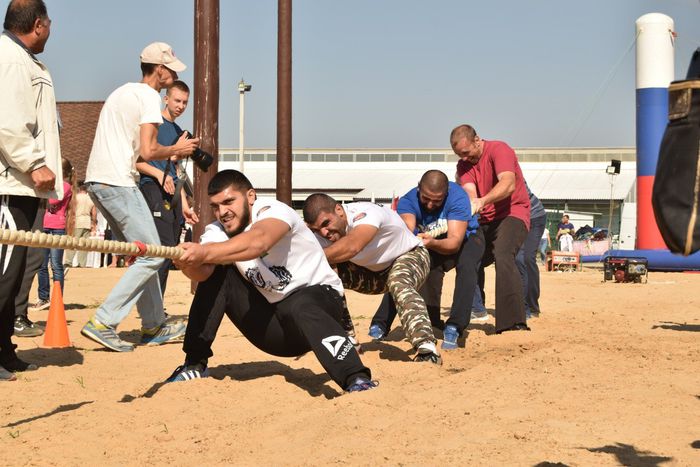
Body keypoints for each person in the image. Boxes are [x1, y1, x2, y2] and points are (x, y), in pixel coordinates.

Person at [168, 170, 376, 393]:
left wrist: (204, 253)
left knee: (301, 304)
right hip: (278, 327)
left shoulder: (273, 211)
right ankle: (194, 364)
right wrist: (188, 264)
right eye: (216, 206)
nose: (223, 212)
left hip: (321, 303)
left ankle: (355, 377)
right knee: (219, 271)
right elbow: (204, 273)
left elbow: (259, 242)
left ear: (250, 196)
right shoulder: (217, 232)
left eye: (229, 202)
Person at [82, 42, 200, 352]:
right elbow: (149, 151)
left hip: (99, 180)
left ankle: (152, 324)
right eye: (171, 69)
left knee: (148, 251)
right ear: (160, 71)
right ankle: (104, 321)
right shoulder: (148, 96)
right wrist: (178, 150)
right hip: (117, 182)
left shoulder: (123, 92)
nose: (174, 74)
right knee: (155, 253)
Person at [303, 193, 442, 364]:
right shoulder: (320, 235)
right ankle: (348, 341)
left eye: (326, 223)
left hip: (412, 257)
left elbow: (353, 246)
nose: (324, 233)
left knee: (399, 280)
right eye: (316, 230)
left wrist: (310, 257)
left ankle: (426, 347)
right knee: (323, 277)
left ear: (339, 210)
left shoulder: (365, 213)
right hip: (373, 275)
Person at [0, 0, 60, 380]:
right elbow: (7, 120)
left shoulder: (22, 59)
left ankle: (5, 350)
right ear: (38, 24)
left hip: (21, 187)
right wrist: (34, 163)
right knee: (4, 275)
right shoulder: (11, 59)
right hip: (10, 183)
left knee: (15, 273)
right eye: (50, 23)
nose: (51, 29)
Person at [368, 170, 483, 350]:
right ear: (419, 189)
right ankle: (380, 324)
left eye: (437, 201)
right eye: (426, 198)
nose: (430, 205)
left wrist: (432, 242)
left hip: (466, 238)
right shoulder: (407, 201)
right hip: (427, 241)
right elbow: (406, 233)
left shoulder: (458, 198)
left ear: (446, 194)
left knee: (467, 267)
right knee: (404, 268)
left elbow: (454, 242)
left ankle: (455, 326)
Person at [452, 124, 530, 333]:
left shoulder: (499, 149)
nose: (465, 158)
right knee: (467, 256)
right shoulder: (463, 165)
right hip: (485, 219)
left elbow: (508, 183)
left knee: (503, 254)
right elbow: (470, 192)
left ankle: (513, 323)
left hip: (512, 213)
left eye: (467, 153)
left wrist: (483, 200)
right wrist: (472, 203)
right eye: (460, 155)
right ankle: (469, 313)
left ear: (477, 140)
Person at [136, 80, 198, 297]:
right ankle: (153, 309)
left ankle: (156, 306)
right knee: (161, 249)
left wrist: (184, 205)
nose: (181, 105)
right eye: (177, 100)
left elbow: (175, 170)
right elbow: (136, 161)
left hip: (171, 192)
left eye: (185, 102)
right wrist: (158, 175)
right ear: (166, 99)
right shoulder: (154, 123)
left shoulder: (178, 131)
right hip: (151, 187)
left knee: (170, 248)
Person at [34, 158, 76, 309]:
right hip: (45, 225)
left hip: (57, 227)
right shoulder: (56, 185)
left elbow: (52, 202)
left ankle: (57, 299)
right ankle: (43, 297)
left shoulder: (65, 186)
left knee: (56, 265)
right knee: (41, 264)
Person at [515, 185, 546, 319]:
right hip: (516, 218)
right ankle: (521, 305)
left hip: (534, 217)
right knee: (517, 259)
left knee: (526, 259)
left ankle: (532, 305)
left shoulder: (508, 172)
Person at [63, 183, 96, 268]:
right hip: (87, 222)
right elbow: (94, 213)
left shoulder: (76, 198)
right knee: (84, 244)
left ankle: (68, 261)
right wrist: (93, 223)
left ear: (79, 190)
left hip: (77, 221)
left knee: (73, 242)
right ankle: (82, 263)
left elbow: (71, 210)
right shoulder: (90, 198)